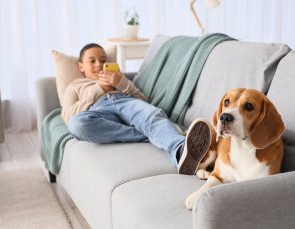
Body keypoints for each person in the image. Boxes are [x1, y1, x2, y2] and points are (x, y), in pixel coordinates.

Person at [62, 43, 211, 175]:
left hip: (126, 102)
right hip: (98, 110)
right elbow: (68, 116)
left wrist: (121, 83)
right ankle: (153, 133)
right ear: (80, 66)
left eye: (103, 60)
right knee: (77, 125)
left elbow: (143, 101)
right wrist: (99, 88)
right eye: (92, 61)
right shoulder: (75, 85)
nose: (99, 64)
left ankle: (180, 151)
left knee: (151, 114)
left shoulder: (118, 78)